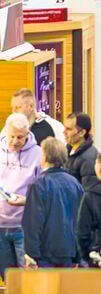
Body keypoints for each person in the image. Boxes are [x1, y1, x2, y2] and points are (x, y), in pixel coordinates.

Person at [22, 138, 84, 268]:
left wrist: (31, 254)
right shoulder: (75, 184)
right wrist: (78, 255)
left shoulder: (38, 184)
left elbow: (33, 222)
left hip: (44, 253)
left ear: (45, 157)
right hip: (69, 251)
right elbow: (80, 221)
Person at [0, 113, 41, 277]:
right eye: (12, 136)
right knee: (8, 278)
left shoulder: (38, 154)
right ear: (6, 132)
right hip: (1, 225)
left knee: (27, 278)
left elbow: (42, 191)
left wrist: (27, 201)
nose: (15, 141)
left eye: (20, 137)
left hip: (24, 227)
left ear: (27, 133)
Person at [64, 111, 98, 190]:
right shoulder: (67, 151)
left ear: (82, 132)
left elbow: (87, 191)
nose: (64, 132)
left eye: (68, 129)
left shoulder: (89, 158)